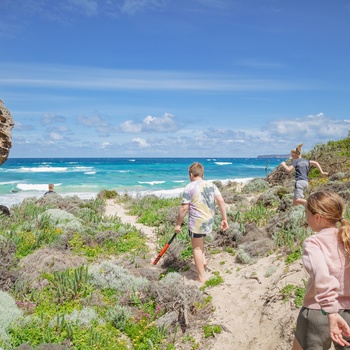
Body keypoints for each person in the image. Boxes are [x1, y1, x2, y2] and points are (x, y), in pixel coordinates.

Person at [292, 191, 350, 350]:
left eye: (307, 214)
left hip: (319, 310)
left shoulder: (313, 243)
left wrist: (331, 311)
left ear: (317, 217)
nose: (306, 218)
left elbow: (322, 277)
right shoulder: (347, 237)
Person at [174, 162, 228, 284]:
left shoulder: (189, 187)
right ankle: (203, 261)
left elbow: (183, 208)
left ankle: (201, 278)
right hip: (209, 221)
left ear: (191, 175)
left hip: (197, 223)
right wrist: (224, 219)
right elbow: (221, 201)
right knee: (200, 241)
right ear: (202, 175)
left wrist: (178, 224)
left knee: (196, 248)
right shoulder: (212, 185)